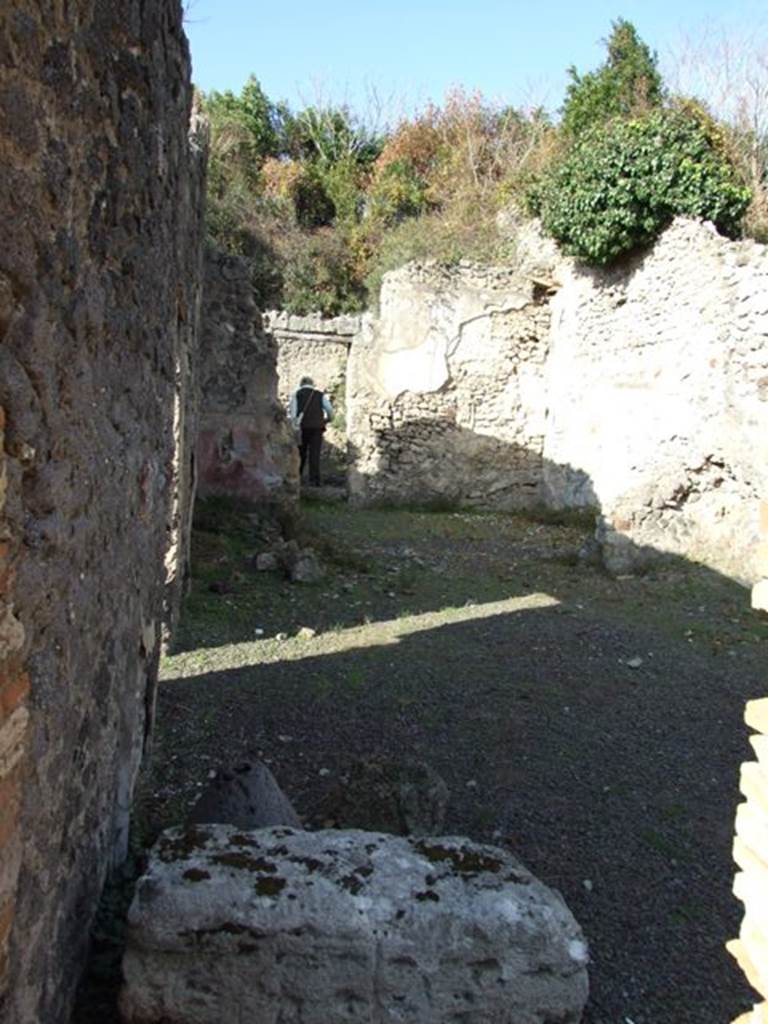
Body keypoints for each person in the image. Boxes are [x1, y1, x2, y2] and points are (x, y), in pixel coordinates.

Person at [289, 376, 334, 486]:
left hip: (302, 428)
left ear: (301, 384)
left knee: (301, 452)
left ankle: (297, 477)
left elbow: (293, 413)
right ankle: (314, 480)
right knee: (315, 453)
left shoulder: (296, 394)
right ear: (312, 384)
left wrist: (294, 426)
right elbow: (329, 409)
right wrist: (328, 419)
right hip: (317, 427)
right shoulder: (319, 395)